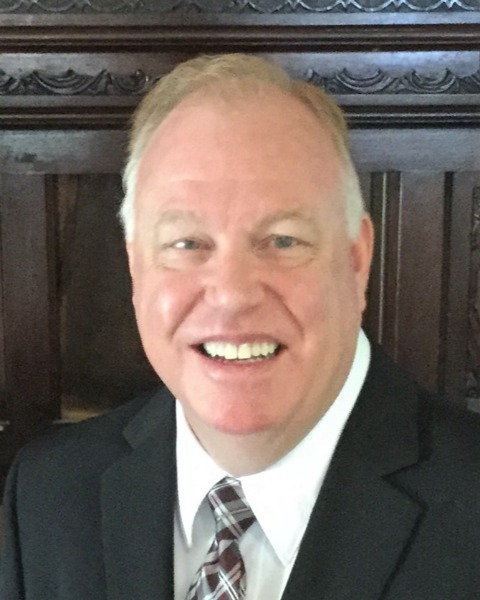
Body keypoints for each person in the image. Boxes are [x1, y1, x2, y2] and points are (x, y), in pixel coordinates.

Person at [1, 54, 479, 600]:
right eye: (187, 243)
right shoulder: (49, 495)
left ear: (356, 261)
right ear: (136, 267)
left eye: (283, 240)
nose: (231, 294)